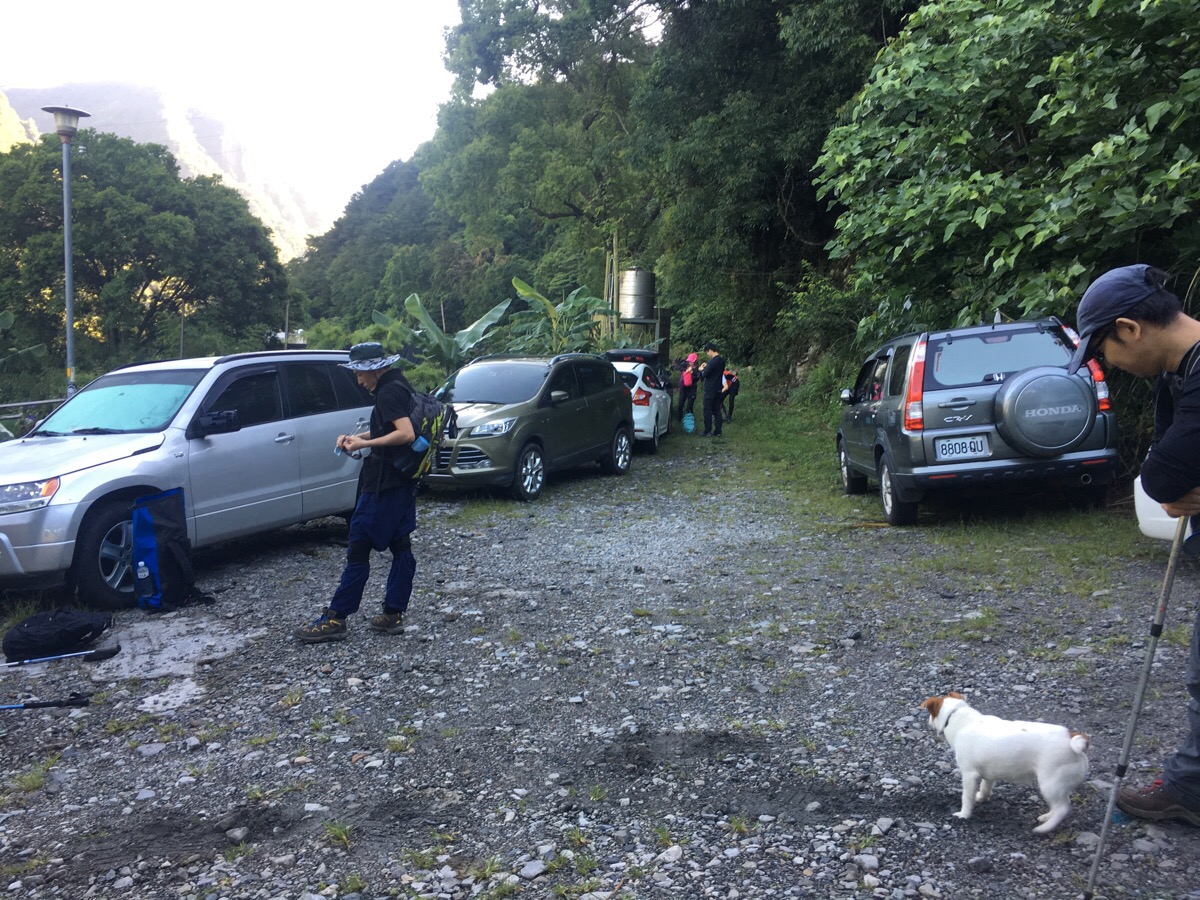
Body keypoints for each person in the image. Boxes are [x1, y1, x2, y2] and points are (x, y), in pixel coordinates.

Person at [1068, 263, 1200, 826]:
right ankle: (1191, 788)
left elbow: (1165, 475)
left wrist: (1173, 483)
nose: (1105, 364)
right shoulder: (1179, 375)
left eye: (1102, 350)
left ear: (1129, 329)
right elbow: (1167, 472)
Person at [294, 342, 421, 643]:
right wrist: (358, 437)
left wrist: (365, 444)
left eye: (360, 373)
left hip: (383, 484)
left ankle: (336, 618)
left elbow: (406, 433)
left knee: (358, 547)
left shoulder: (388, 392)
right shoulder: (400, 384)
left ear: (374, 369)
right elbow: (390, 429)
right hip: (403, 480)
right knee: (401, 544)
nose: (359, 380)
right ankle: (393, 614)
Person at [700, 341, 726, 437]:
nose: (708, 354)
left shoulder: (712, 362)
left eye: (707, 352)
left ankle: (708, 431)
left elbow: (705, 374)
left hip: (710, 389)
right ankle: (718, 431)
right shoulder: (722, 361)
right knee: (717, 410)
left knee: (707, 410)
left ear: (710, 350)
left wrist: (702, 370)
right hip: (718, 388)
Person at [678, 352, 700, 424]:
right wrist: (686, 370)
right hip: (683, 388)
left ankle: (689, 421)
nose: (690, 363)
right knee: (680, 404)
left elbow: (697, 377)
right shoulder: (685, 364)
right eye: (689, 361)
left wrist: (692, 373)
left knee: (690, 406)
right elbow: (679, 367)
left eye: (692, 361)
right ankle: (679, 419)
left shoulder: (697, 368)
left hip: (692, 389)